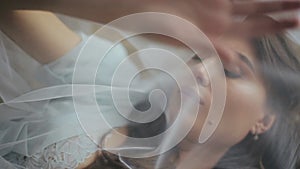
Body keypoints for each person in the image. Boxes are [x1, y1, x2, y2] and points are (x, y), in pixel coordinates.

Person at [0, 1, 300, 169]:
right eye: (199, 55)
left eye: (230, 71)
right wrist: (123, 9)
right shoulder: (113, 80)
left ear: (264, 119)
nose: (199, 70)